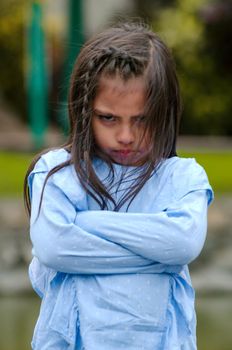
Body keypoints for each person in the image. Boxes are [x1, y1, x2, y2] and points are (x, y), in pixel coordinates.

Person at [24, 22, 213, 350]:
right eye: (108, 118)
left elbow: (182, 244)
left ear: (164, 113)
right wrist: (158, 255)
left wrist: (84, 223)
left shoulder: (183, 177)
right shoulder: (58, 173)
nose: (126, 136)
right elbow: (54, 247)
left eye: (141, 119)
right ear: (84, 112)